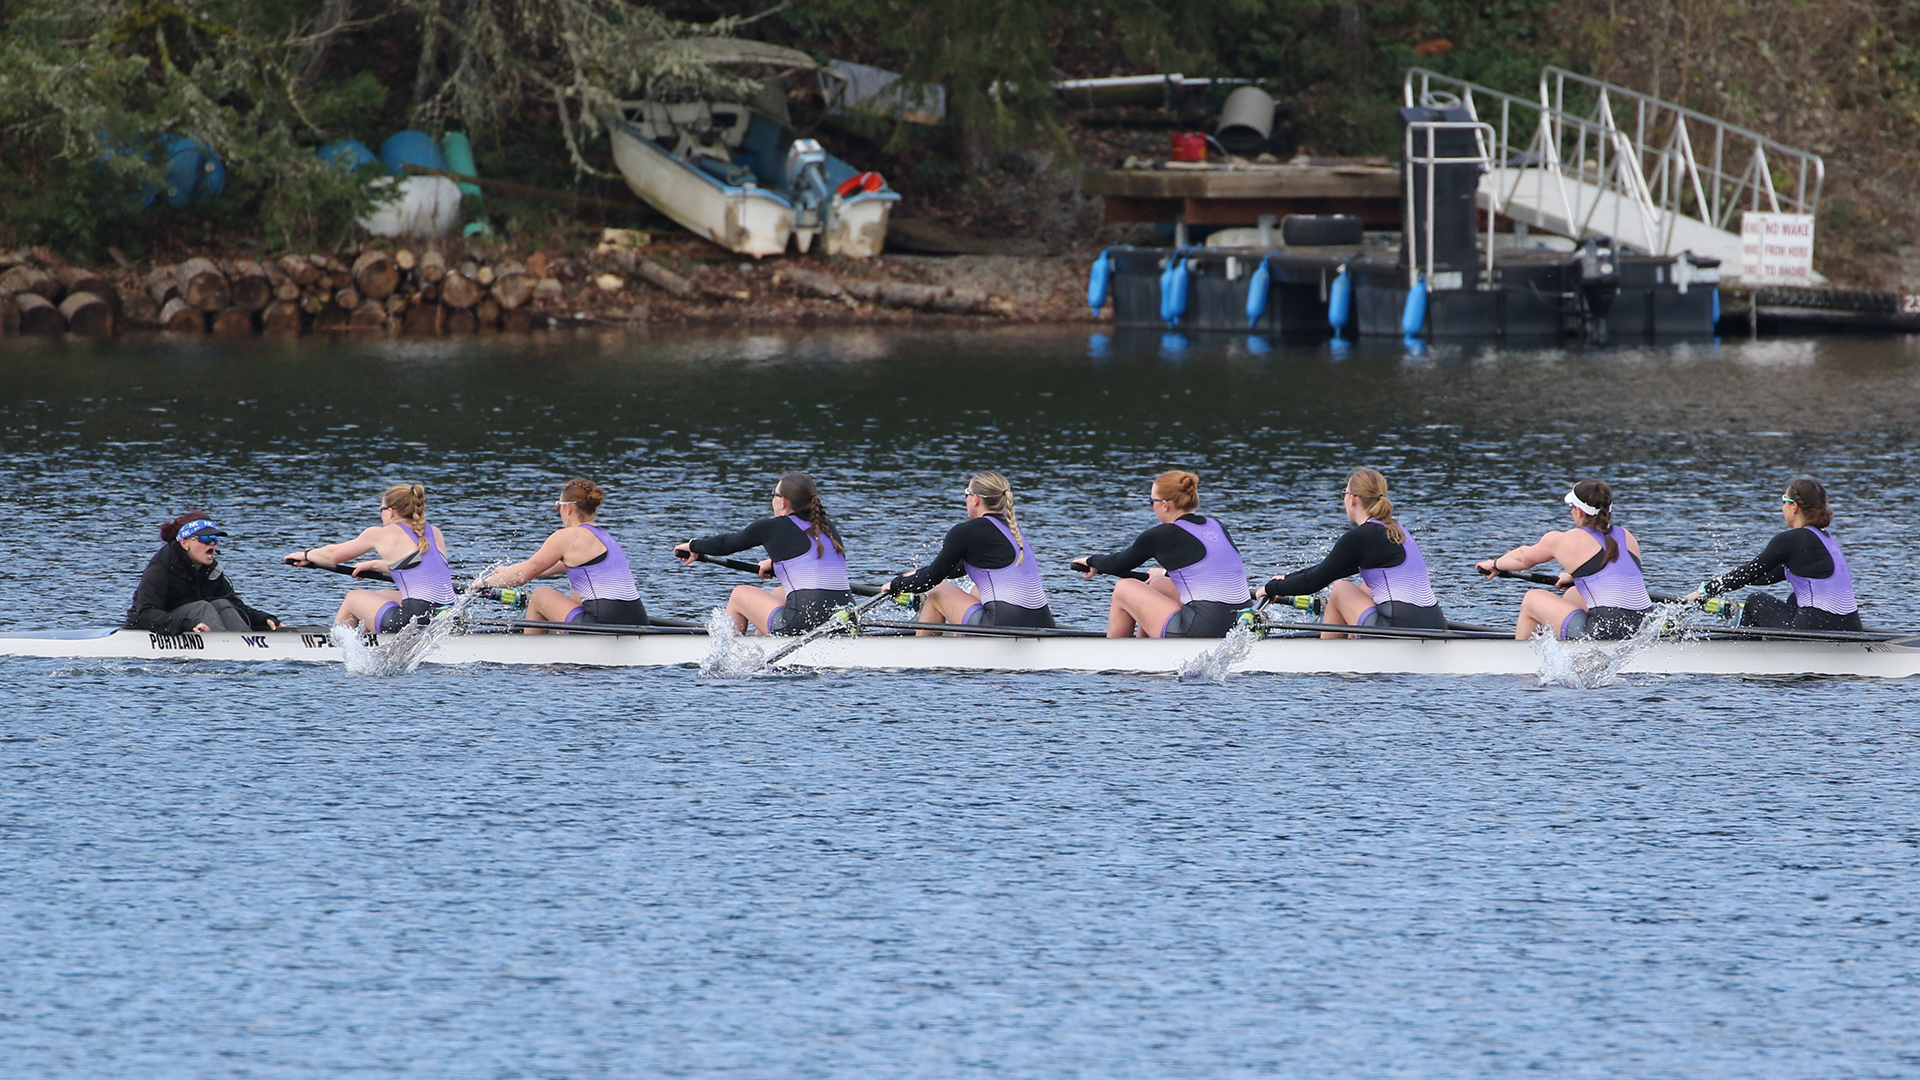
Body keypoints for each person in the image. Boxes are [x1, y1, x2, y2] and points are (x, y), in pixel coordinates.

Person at [1261, 467, 1447, 634]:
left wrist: (1270, 588)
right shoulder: (1396, 530)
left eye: (1345, 493)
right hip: (1436, 624)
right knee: (1367, 587)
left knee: (1341, 589)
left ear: (1353, 499)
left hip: (1398, 630)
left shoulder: (1361, 536)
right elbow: (1328, 568)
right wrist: (1286, 580)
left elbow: (1313, 582)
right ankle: (1350, 640)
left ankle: (1326, 659)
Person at [1076, 469, 1250, 638]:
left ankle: (1118, 657)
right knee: (1159, 584)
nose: (1152, 506)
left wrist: (1092, 561)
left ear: (1164, 505)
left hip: (1201, 630)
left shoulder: (1162, 534)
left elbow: (1117, 564)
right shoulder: (1217, 526)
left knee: (1124, 588)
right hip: (1240, 624)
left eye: (1151, 501)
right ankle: (1147, 645)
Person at [673, 472, 852, 635]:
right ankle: (763, 645)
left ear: (784, 501)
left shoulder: (771, 527)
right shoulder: (827, 527)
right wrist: (774, 565)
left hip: (804, 626)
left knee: (739, 594)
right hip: (845, 621)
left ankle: (731, 657)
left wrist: (693, 546)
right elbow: (815, 561)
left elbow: (725, 545)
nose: (772, 499)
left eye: (774, 494)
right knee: (778, 594)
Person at [1476, 479, 1652, 640]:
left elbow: (1523, 558)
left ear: (1579, 511)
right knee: (1573, 594)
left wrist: (1494, 564)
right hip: (1643, 626)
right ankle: (1563, 651)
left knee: (1532, 598)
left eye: (1571, 507)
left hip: (1604, 631)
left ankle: (1521, 662)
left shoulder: (1563, 540)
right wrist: (1576, 578)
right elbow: (1616, 576)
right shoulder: (1627, 537)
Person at [888, 471, 1055, 634]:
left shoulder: (965, 531)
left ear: (975, 499)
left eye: (966, 493)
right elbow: (951, 569)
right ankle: (960, 641)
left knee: (939, 591)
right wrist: (912, 575)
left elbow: (932, 579)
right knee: (977, 589)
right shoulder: (1013, 530)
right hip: (1043, 624)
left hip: (1002, 626)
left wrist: (895, 585)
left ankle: (918, 656)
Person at [1685, 477, 1862, 631]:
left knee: (1756, 602)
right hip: (1851, 626)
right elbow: (1762, 576)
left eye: (1784, 500)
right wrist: (1721, 587)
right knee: (1795, 599)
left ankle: (1744, 653)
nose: (1782, 506)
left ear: (1794, 507)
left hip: (1815, 627)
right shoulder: (1826, 540)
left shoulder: (1791, 539)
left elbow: (1750, 572)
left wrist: (1705, 591)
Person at [479, 478, 647, 632]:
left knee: (539, 595)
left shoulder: (567, 537)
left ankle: (530, 657)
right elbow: (540, 568)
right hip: (637, 619)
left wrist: (483, 583)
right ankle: (562, 637)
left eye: (558, 505)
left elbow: (521, 576)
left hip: (603, 623)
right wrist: (506, 571)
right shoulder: (604, 537)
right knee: (578, 588)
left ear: (568, 508)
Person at [284, 482, 456, 631]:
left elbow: (333, 556)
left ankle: (334, 646)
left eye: (381, 509)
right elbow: (421, 569)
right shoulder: (435, 532)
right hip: (449, 616)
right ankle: (370, 642)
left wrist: (307, 554)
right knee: (381, 594)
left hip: (412, 623)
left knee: (353, 598)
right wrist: (374, 565)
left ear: (390, 512)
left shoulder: (379, 534)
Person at [126, 512, 282, 633]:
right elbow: (146, 613)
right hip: (150, 628)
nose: (212, 543)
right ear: (185, 543)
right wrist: (186, 625)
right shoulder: (161, 567)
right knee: (202, 607)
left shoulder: (211, 570)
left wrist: (263, 619)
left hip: (195, 623)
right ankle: (227, 647)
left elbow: (235, 605)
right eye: (206, 539)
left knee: (222, 604)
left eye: (215, 538)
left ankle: (246, 642)